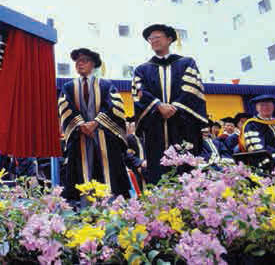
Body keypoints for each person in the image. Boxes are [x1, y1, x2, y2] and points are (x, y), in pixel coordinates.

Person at [131, 24, 208, 184]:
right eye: (150, 39)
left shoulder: (187, 63)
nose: (153, 41)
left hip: (183, 124)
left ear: (169, 39)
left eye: (157, 37)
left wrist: (175, 107)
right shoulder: (141, 70)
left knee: (186, 171)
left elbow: (191, 88)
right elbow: (140, 92)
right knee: (158, 171)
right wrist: (159, 105)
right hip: (155, 128)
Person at [59, 48, 130, 201]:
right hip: (80, 137)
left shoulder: (106, 85)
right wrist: (81, 125)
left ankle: (111, 207)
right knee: (79, 176)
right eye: (77, 61)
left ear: (93, 64)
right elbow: (66, 107)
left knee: (108, 175)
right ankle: (82, 209)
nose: (79, 63)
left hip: (104, 137)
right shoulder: (68, 87)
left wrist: (96, 123)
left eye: (84, 60)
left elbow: (114, 107)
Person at [240, 95, 275, 178]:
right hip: (269, 162)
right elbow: (258, 149)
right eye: (262, 105)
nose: (266, 107)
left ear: (273, 107)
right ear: (257, 108)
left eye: (269, 105)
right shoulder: (252, 124)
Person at [124, 116, 146, 191]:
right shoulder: (130, 138)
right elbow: (125, 154)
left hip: (145, 167)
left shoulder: (144, 136)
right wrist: (139, 163)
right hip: (134, 168)